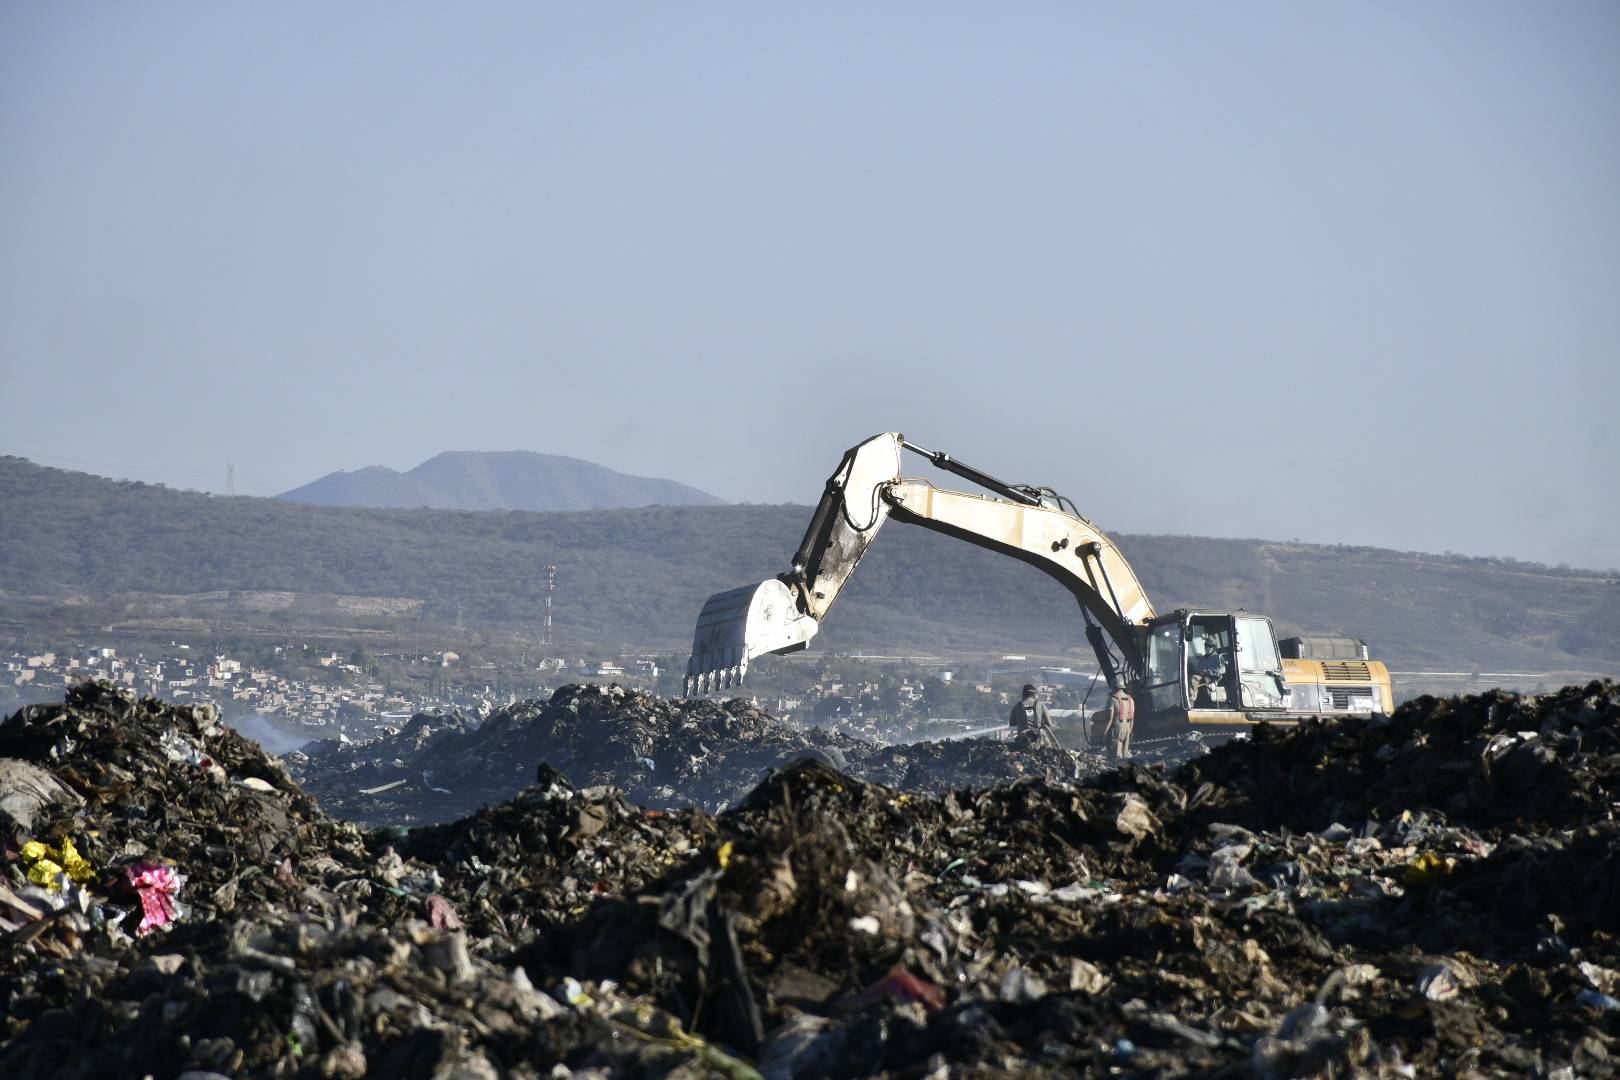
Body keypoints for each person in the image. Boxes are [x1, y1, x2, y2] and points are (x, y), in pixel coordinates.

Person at [1105, 685, 1135, 761]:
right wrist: (1130, 730)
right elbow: (1132, 718)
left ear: (1114, 687)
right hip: (1127, 728)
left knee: (1115, 755)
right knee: (1124, 753)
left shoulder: (1112, 699)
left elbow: (1110, 718)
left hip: (1117, 729)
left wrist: (1104, 732)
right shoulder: (1130, 699)